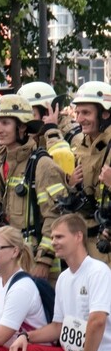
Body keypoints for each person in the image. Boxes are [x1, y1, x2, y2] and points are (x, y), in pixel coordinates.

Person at [9, 214, 111, 351]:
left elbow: (97, 321)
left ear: (77, 237)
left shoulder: (98, 271)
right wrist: (26, 337)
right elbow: (57, 327)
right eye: (52, 237)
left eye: (58, 236)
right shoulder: (64, 278)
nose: (53, 242)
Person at [0, 95, 66, 282]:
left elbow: (55, 216)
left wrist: (44, 260)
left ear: (23, 127)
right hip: (2, 262)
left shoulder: (42, 166)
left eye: (5, 123)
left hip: (34, 262)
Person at [64, 81, 111, 266]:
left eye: (86, 113)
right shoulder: (80, 144)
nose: (80, 118)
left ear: (105, 113)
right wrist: (71, 183)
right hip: (85, 241)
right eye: (78, 112)